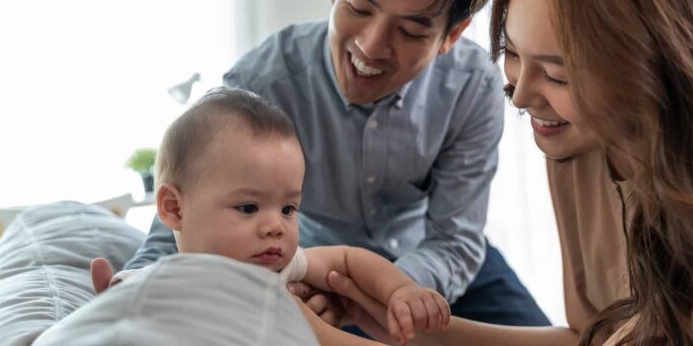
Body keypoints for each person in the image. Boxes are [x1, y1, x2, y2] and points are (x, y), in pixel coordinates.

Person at [321, 0, 693, 345]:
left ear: (655, 67)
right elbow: (588, 338)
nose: (519, 95)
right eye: (511, 53)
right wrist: (402, 327)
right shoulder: (584, 138)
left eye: (557, 75)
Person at [93, 0, 549, 328]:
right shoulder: (262, 82)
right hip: (313, 272)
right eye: (359, 7)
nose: (372, 47)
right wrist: (132, 285)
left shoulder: (472, 88)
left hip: (433, 260)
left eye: (410, 31)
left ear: (452, 34)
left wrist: (379, 292)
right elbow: (184, 207)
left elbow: (453, 239)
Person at [116, 87, 451, 345]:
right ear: (174, 208)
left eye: (289, 209)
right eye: (248, 208)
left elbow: (348, 260)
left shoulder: (281, 269)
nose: (276, 226)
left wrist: (400, 291)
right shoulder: (161, 283)